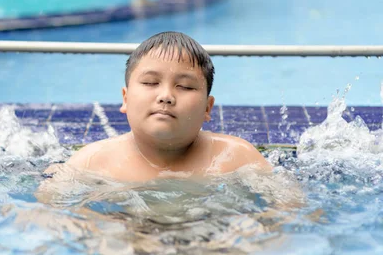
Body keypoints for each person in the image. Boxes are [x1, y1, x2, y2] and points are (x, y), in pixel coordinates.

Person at [56, 31, 272, 183]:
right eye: (150, 83)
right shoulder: (92, 162)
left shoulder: (236, 159)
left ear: (208, 108)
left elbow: (285, 211)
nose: (166, 96)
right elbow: (48, 215)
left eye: (185, 86)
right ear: (126, 98)